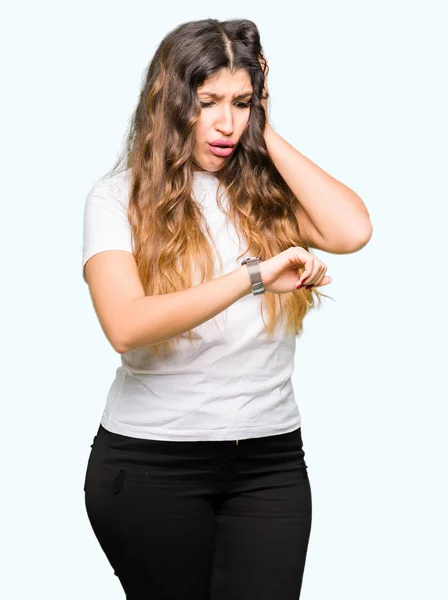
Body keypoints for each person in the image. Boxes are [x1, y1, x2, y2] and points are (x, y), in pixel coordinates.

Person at [81, 17, 372, 600]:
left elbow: (352, 229)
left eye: (241, 103)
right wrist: (254, 278)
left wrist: (264, 132)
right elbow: (126, 324)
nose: (226, 123)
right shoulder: (118, 198)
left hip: (270, 463)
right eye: (208, 101)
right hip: (152, 467)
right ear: (171, 102)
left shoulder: (266, 195)